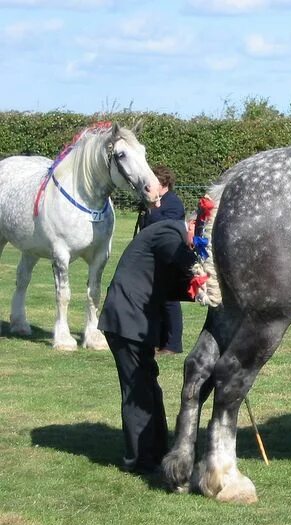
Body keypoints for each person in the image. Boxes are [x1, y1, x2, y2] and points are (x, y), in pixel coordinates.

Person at [99, 218, 197, 474]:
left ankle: (157, 452)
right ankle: (139, 460)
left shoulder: (173, 237)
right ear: (193, 225)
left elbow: (177, 285)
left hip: (135, 321)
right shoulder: (170, 232)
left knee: (149, 387)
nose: (197, 248)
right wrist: (206, 270)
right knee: (138, 391)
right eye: (198, 240)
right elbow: (184, 263)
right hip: (126, 320)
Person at [135, 165, 187, 354]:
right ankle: (157, 340)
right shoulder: (154, 202)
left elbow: (165, 229)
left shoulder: (172, 203)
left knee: (169, 301)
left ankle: (173, 344)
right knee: (154, 300)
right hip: (151, 257)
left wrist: (151, 209)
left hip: (167, 257)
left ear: (163, 183)